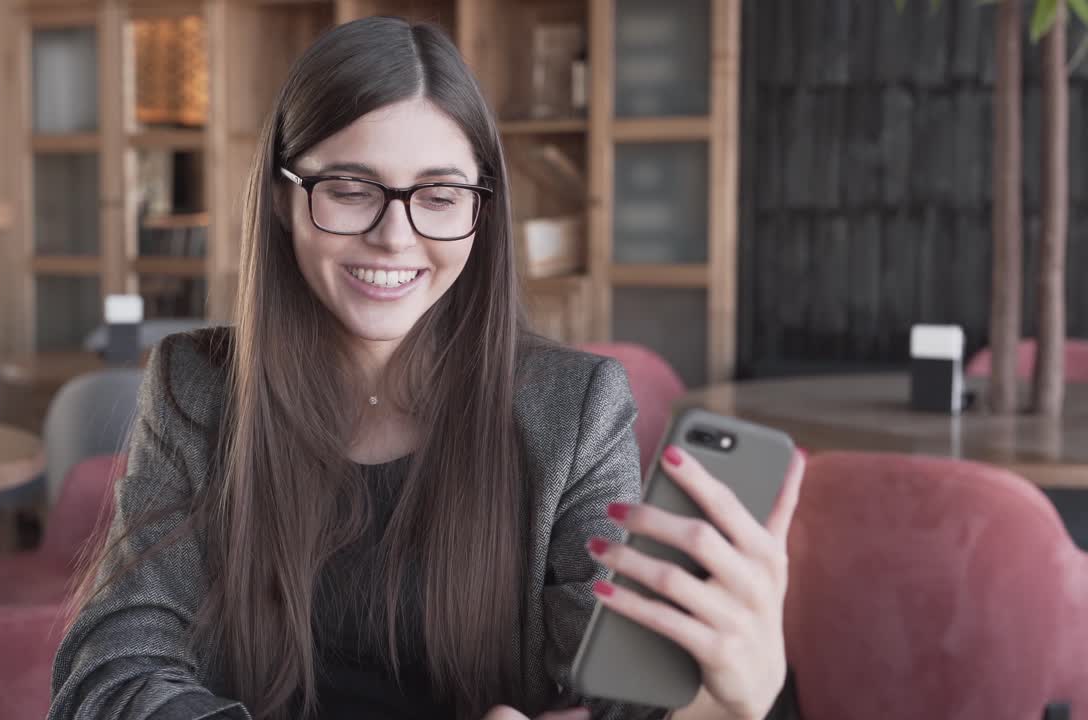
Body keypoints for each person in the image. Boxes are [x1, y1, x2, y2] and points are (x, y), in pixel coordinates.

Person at [48, 16, 804, 720]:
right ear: (283, 201)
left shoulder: (574, 409)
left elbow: (622, 690)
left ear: (482, 209)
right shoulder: (198, 387)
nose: (394, 235)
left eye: (439, 196)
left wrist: (732, 700)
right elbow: (111, 673)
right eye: (349, 189)